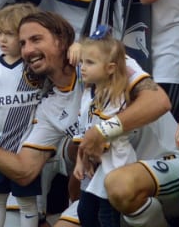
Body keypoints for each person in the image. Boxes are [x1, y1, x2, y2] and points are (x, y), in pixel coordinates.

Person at [0, 10, 179, 227]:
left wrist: (102, 132)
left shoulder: (103, 59)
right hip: (103, 186)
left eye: (36, 39)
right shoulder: (49, 107)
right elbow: (24, 171)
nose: (28, 49)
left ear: (61, 40)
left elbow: (158, 101)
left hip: (165, 163)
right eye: (23, 43)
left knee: (120, 185)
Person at [0, 3, 41, 227]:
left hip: (25, 151)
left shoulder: (35, 67)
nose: (2, 40)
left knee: (27, 201)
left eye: (10, 34)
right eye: (0, 33)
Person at [73, 33, 135, 227]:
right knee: (85, 212)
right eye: (82, 61)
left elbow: (102, 140)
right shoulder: (87, 93)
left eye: (90, 62)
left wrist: (86, 159)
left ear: (110, 68)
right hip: (93, 162)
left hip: (114, 163)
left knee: (107, 217)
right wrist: (79, 162)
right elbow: (83, 133)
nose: (83, 67)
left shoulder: (115, 95)